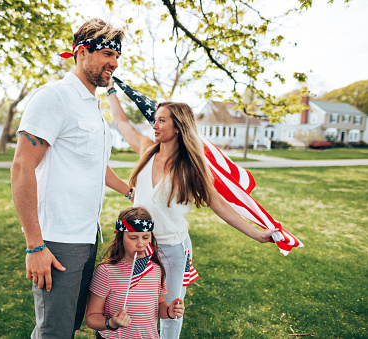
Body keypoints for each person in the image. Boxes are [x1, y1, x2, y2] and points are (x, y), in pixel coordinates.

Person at [105, 78, 278, 339]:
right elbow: (122, 123)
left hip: (172, 250)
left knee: (172, 309)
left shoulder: (190, 168)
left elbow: (219, 204)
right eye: (156, 119)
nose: (155, 124)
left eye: (162, 120)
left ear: (178, 127)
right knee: (133, 304)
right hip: (136, 245)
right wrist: (109, 91)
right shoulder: (146, 150)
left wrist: (256, 233)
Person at [11, 19, 131, 339]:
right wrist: (35, 245)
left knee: (70, 326)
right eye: (107, 54)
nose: (114, 63)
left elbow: (94, 165)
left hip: (87, 235)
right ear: (81, 53)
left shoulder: (92, 104)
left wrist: (131, 191)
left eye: (117, 56)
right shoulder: (55, 97)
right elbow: (22, 167)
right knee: (54, 331)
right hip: (58, 240)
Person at [86, 206, 185, 339]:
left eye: (145, 237)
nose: (140, 244)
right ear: (121, 238)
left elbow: (160, 305)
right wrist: (111, 322)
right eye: (133, 238)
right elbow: (91, 317)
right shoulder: (106, 272)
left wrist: (169, 311)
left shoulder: (155, 269)